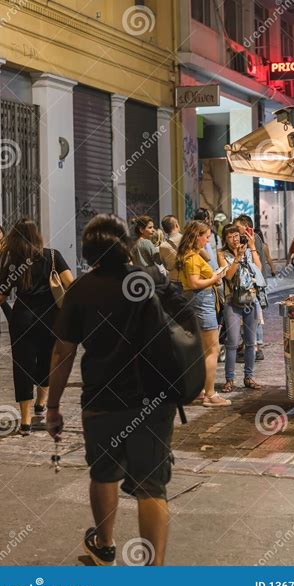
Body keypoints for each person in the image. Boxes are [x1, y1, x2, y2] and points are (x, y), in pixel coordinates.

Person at [46, 214, 178, 567]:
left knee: (104, 471)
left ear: (89, 252)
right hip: (152, 397)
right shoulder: (146, 280)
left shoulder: (82, 290)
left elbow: (63, 351)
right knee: (151, 485)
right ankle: (154, 573)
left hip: (102, 397)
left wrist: (53, 405)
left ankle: (104, 545)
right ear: (126, 245)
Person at [0, 219, 74, 434]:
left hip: (22, 318)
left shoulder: (14, 261)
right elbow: (70, 284)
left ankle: (25, 422)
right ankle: (41, 405)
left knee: (22, 366)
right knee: (47, 360)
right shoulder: (52, 255)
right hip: (51, 318)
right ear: (37, 234)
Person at [176, 221, 229, 407]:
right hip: (201, 303)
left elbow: (204, 261)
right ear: (196, 236)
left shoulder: (194, 254)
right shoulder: (190, 257)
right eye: (205, 236)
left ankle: (200, 390)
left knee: (201, 350)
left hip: (200, 302)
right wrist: (215, 278)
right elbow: (194, 283)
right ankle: (210, 394)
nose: (208, 239)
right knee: (212, 349)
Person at [218, 224, 263, 393]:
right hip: (232, 302)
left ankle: (248, 377)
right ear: (225, 239)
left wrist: (251, 248)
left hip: (250, 300)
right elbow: (228, 276)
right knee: (233, 342)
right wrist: (237, 257)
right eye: (229, 237)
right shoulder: (222, 254)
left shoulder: (248, 252)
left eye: (236, 235)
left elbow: (258, 269)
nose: (234, 239)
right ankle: (229, 380)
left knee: (251, 342)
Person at [235, 214, 272, 360]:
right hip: (253, 282)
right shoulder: (252, 238)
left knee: (255, 314)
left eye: (238, 227)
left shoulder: (252, 239)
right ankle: (252, 345)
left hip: (255, 282)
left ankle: (256, 347)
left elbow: (255, 262)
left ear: (246, 226)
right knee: (253, 313)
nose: (236, 230)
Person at [159, 215, 182, 282]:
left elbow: (164, 265)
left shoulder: (162, 246)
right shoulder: (187, 240)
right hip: (188, 281)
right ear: (177, 225)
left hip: (173, 281)